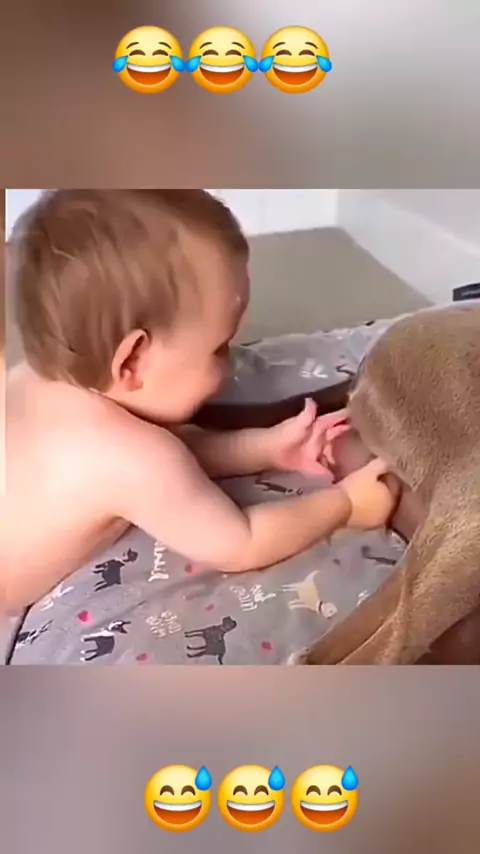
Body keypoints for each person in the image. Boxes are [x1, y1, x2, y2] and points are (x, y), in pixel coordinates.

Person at [2, 190, 397, 615]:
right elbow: (241, 543)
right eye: (219, 348)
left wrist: (265, 448)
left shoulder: (32, 376)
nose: (230, 362)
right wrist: (345, 505)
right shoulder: (130, 458)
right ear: (132, 360)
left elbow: (179, 452)